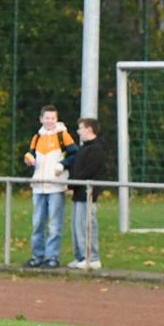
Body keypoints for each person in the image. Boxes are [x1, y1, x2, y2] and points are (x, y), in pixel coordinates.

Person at [22, 105, 77, 268]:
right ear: (41, 119)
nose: (50, 121)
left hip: (55, 186)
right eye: (47, 118)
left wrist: (62, 164)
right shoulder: (37, 137)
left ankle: (52, 257)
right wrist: (29, 159)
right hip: (38, 186)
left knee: (54, 224)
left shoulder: (63, 135)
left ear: (56, 119)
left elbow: (74, 154)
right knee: (37, 223)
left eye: (53, 118)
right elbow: (32, 155)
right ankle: (37, 255)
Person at [59, 118, 105, 270]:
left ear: (89, 129)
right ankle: (81, 256)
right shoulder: (84, 148)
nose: (78, 131)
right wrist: (70, 183)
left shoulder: (96, 149)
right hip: (79, 192)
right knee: (77, 226)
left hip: (88, 193)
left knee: (87, 225)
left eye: (81, 128)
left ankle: (93, 258)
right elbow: (76, 169)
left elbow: (88, 171)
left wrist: (71, 184)